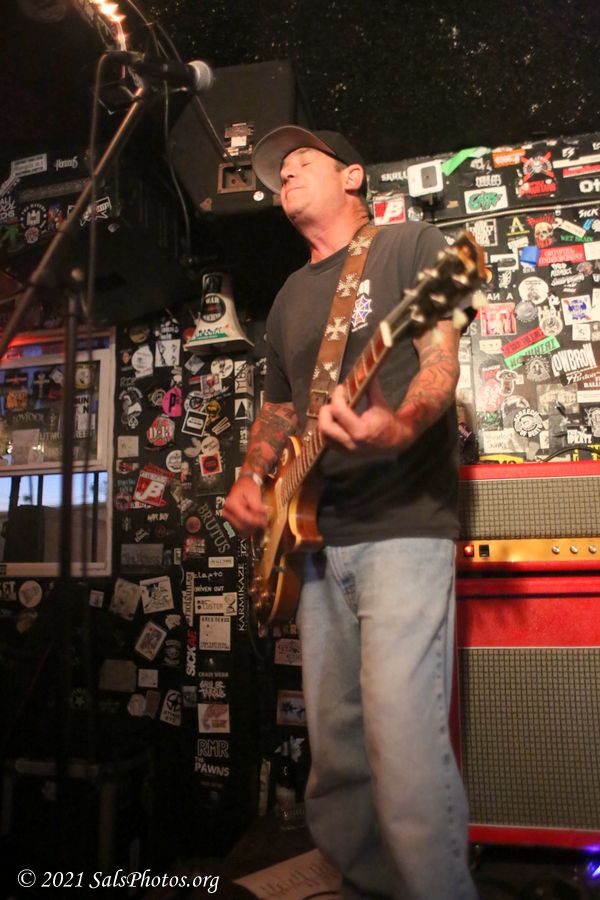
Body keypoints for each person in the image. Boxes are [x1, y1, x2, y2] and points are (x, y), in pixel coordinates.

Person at [223, 125, 478, 900]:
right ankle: (364, 883)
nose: (286, 173)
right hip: (314, 537)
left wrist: (399, 424)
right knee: (335, 747)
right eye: (278, 171)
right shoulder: (288, 299)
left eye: (303, 160)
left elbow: (440, 360)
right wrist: (253, 476)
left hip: (403, 522)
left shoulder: (411, 247)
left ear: (354, 175)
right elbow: (279, 409)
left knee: (403, 742)